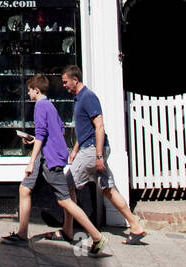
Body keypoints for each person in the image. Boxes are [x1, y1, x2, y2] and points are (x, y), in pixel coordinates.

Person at [1, 74, 107, 253]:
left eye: (29, 90)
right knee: (24, 189)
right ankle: (21, 234)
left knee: (65, 201)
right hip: (47, 154)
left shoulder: (40, 106)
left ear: (36, 90)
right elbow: (60, 130)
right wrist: (35, 140)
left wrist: (31, 161)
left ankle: (97, 236)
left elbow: (43, 134)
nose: (27, 94)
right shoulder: (50, 105)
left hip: (50, 159)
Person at [60, 65, 148, 244]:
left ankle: (69, 230)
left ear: (75, 80)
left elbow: (99, 126)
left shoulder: (88, 97)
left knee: (67, 185)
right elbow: (86, 130)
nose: (63, 85)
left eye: (65, 82)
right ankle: (135, 225)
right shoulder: (79, 98)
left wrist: (98, 155)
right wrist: (75, 149)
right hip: (90, 148)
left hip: (93, 149)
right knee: (108, 189)